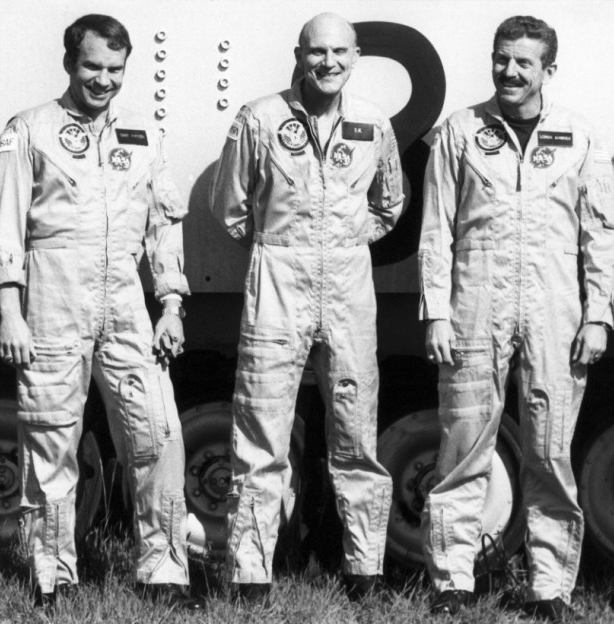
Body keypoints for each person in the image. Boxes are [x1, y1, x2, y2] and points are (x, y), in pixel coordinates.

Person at [0, 14, 201, 610]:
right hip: (53, 293)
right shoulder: (29, 130)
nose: (103, 80)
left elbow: (164, 227)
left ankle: (163, 570)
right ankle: (51, 574)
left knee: (158, 435)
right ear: (68, 64)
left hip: (127, 301)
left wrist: (172, 304)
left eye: (114, 69)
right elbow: (4, 223)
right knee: (52, 438)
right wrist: (9, 306)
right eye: (91, 67)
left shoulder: (142, 135)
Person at [417, 16, 614, 621]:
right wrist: (435, 313)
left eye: (523, 63)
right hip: (474, 303)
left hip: (556, 308)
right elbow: (436, 231)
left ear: (547, 71)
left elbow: (602, 236)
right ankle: (451, 581)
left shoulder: (578, 136)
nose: (509, 71)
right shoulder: (461, 132)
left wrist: (598, 315)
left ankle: (549, 587)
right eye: (501, 59)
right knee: (462, 446)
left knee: (550, 451)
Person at [210, 12, 403, 605]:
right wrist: (283, 246)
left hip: (347, 283)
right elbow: (231, 207)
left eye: (340, 53)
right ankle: (249, 575)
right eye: (317, 52)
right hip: (278, 280)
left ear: (356, 55)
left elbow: (390, 205)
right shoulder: (260, 118)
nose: (328, 63)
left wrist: (340, 242)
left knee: (356, 435)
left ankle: (363, 571)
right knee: (261, 433)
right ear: (299, 55)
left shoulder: (373, 122)